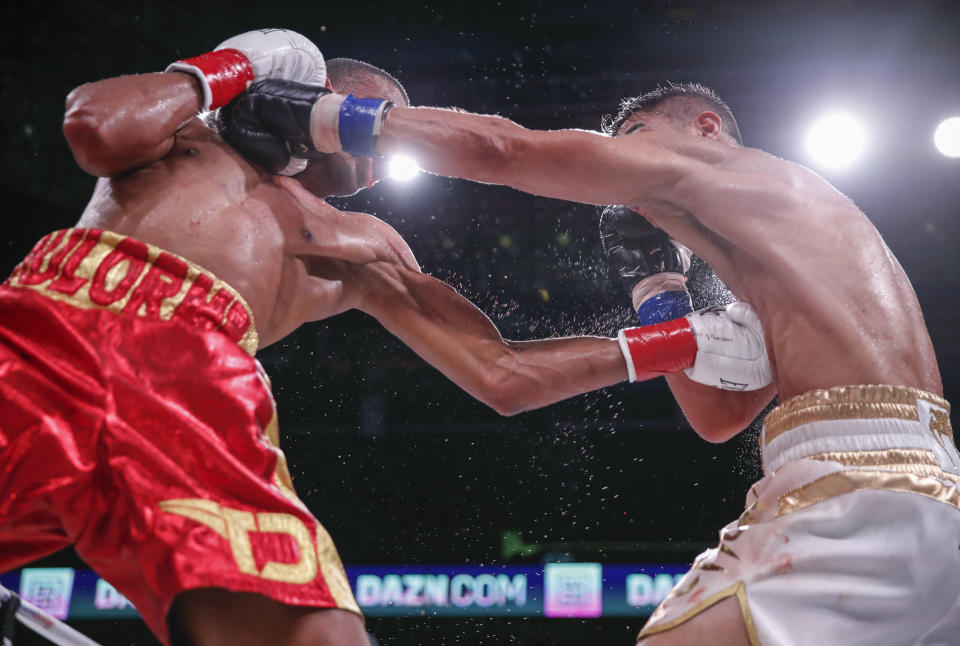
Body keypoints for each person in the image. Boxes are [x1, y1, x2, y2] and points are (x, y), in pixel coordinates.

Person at [0, 28, 771, 646]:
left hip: (190, 383)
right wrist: (233, 66)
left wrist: (683, 343)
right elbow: (93, 125)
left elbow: (499, 374)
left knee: (316, 633)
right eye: (376, 114)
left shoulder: (362, 244)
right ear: (315, 90)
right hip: (45, 324)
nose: (383, 148)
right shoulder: (185, 139)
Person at [244, 79, 960, 644]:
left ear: (703, 129)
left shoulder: (729, 167)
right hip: (924, 489)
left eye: (637, 142)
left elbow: (505, 151)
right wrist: (659, 292)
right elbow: (716, 418)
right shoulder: (791, 269)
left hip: (851, 492)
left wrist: (326, 114)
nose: (630, 179)